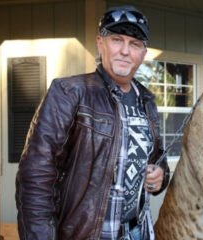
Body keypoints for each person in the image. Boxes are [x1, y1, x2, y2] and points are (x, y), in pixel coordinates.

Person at [15, 5, 170, 240]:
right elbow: (35, 176)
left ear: (143, 53)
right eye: (117, 40)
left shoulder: (147, 101)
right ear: (101, 43)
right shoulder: (69, 92)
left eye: (135, 44)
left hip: (138, 232)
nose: (125, 51)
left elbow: (158, 159)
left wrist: (160, 176)